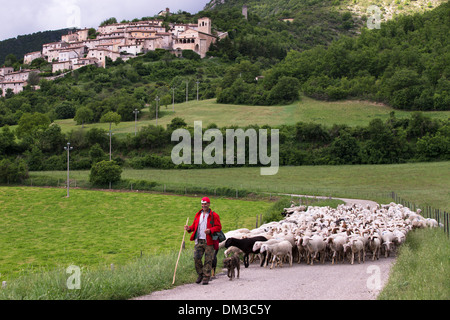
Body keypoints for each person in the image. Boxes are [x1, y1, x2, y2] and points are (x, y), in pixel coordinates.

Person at [184, 196, 222, 285]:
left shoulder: (214, 215)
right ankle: (200, 274)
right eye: (202, 204)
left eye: (205, 204)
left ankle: (206, 277)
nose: (203, 206)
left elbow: (219, 227)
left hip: (208, 241)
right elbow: (194, 226)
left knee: (208, 259)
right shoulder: (198, 215)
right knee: (196, 258)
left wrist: (210, 230)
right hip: (199, 240)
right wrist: (189, 228)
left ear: (209, 204)